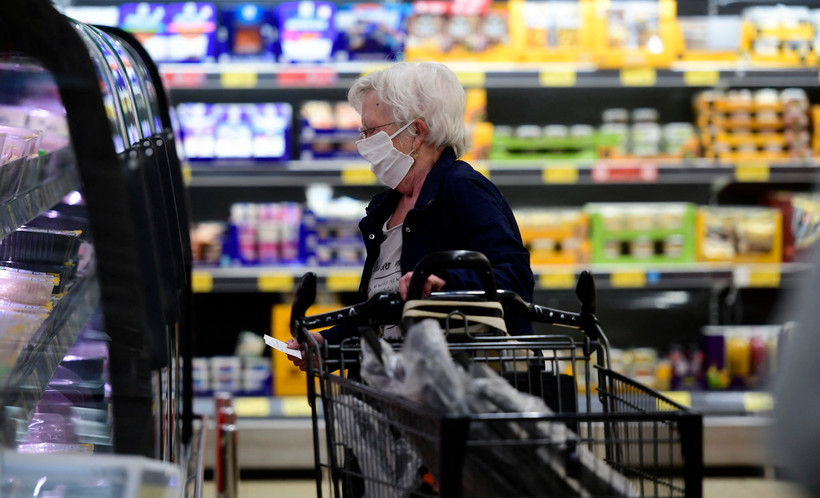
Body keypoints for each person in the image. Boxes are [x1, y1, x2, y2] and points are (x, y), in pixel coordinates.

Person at [287, 61, 534, 370]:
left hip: (455, 386)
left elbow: (515, 279)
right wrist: (329, 344)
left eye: (372, 131)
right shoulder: (386, 209)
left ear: (416, 132)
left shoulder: (463, 189)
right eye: (362, 132)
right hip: (397, 389)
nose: (363, 143)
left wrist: (445, 283)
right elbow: (383, 315)